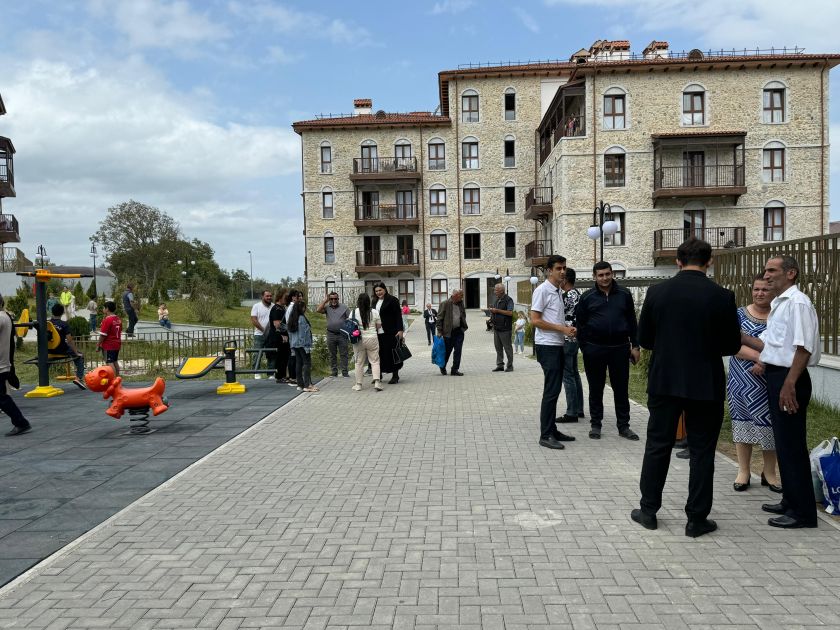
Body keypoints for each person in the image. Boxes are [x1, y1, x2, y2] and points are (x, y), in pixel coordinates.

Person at [632, 237, 740, 538]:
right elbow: (731, 344)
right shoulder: (722, 296)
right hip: (706, 382)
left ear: (677, 262)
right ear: (710, 262)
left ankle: (649, 510)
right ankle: (696, 519)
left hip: (665, 380)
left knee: (657, 445)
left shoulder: (656, 293)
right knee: (703, 451)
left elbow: (647, 339)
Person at [740, 256, 820, 529]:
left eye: (773, 270)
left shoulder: (798, 303)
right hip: (777, 376)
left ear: (791, 273)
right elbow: (771, 346)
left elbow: (803, 347)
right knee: (783, 444)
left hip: (790, 379)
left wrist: (789, 384)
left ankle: (804, 513)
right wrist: (737, 334)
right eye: (765, 270)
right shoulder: (780, 303)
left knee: (793, 446)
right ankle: (790, 500)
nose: (767, 275)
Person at [575, 262, 640, 441]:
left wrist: (635, 346)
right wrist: (585, 348)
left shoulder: (624, 294)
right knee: (596, 388)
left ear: (612, 274)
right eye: (600, 275)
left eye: (607, 274)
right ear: (594, 277)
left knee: (621, 389)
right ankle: (596, 424)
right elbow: (579, 324)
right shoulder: (587, 297)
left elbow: (632, 321)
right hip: (594, 350)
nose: (604, 278)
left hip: (620, 349)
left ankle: (624, 426)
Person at [727, 274, 781, 493]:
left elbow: (784, 345)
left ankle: (770, 473)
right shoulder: (738, 314)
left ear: (773, 292)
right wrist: (759, 358)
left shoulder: (779, 316)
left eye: (765, 290)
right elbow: (732, 344)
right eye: (756, 289)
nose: (760, 293)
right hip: (741, 381)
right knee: (742, 423)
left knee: (770, 427)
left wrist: (766, 362)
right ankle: (743, 471)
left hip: (771, 381)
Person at [530, 255, 577, 450]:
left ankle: (552, 429)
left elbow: (552, 317)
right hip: (547, 345)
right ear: (549, 270)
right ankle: (545, 434)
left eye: (564, 268)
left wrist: (567, 327)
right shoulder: (542, 290)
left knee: (555, 389)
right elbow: (535, 320)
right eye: (558, 268)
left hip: (556, 344)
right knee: (551, 390)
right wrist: (562, 329)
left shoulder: (557, 290)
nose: (562, 271)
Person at [1, 294, 31, 437]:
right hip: (3, 364)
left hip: (0, 366)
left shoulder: (1, 318)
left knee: (2, 398)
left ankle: (21, 422)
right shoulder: (5, 316)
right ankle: (20, 422)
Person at [558, 268, 584, 424]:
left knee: (567, 375)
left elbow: (560, 315)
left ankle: (571, 412)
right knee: (574, 373)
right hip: (576, 338)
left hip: (567, 338)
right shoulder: (578, 294)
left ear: (565, 280)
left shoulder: (566, 296)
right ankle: (579, 409)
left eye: (562, 277)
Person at [49, 304, 87, 390]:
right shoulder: (64, 324)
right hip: (61, 349)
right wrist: (76, 352)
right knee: (80, 356)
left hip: (49, 350)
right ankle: (79, 378)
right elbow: (69, 341)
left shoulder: (47, 323)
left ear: (52, 312)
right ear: (62, 313)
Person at [373, 283, 404, 384]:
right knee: (379, 353)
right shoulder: (374, 301)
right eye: (376, 291)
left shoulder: (392, 300)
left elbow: (398, 316)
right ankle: (379, 375)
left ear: (385, 290)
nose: (378, 293)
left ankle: (395, 375)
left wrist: (400, 330)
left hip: (391, 331)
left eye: (380, 290)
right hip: (377, 332)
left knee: (392, 353)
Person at [351, 293, 383, 391]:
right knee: (375, 361)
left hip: (359, 339)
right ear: (368, 301)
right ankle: (377, 382)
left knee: (359, 362)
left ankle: (359, 384)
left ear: (358, 301)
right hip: (372, 338)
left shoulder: (353, 312)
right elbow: (379, 325)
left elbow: (350, 324)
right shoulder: (374, 311)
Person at [316, 291, 350, 378]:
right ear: (329, 299)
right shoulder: (327, 307)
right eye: (331, 299)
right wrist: (325, 301)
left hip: (342, 334)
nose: (334, 300)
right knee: (332, 354)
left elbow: (350, 319)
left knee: (344, 354)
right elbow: (318, 310)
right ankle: (334, 372)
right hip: (331, 334)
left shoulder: (344, 307)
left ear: (338, 299)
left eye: (335, 298)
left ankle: (345, 372)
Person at [436, 289, 467, 376]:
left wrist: (463, 325)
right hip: (448, 332)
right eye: (461, 296)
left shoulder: (461, 303)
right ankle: (442, 366)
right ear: (455, 296)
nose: (462, 298)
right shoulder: (445, 303)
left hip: (459, 331)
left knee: (458, 351)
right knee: (447, 351)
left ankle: (455, 369)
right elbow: (439, 318)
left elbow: (463, 314)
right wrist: (439, 330)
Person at [288, 300, 318, 393]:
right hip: (303, 344)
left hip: (295, 344)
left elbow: (290, 333)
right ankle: (307, 385)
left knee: (299, 363)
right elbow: (303, 334)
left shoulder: (292, 318)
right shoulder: (301, 318)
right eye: (304, 307)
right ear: (302, 308)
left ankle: (300, 384)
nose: (305, 309)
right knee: (306, 363)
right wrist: (306, 347)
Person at [488, 283, 514, 372]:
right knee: (498, 348)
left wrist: (497, 310)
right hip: (497, 328)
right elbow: (495, 312)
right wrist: (492, 313)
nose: (495, 292)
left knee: (507, 348)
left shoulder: (508, 300)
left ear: (502, 291)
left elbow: (510, 313)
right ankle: (500, 365)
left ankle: (510, 366)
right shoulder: (497, 300)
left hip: (505, 328)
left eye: (496, 290)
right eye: (495, 290)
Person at [250, 289, 275, 379]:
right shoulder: (256, 306)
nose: (269, 297)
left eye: (270, 296)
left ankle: (271, 373)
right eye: (267, 296)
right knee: (257, 353)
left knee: (271, 354)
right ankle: (256, 372)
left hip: (271, 335)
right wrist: (264, 330)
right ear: (262, 297)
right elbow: (254, 320)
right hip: (259, 335)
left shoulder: (274, 306)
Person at [269, 290, 291, 384]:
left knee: (285, 357)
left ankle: (283, 375)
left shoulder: (282, 308)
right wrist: (283, 334)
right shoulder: (277, 309)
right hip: (279, 336)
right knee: (281, 357)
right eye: (285, 298)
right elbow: (277, 324)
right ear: (280, 297)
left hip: (284, 336)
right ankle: (279, 376)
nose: (286, 300)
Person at [98, 300, 122, 376]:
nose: (103, 309)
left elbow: (103, 335)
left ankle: (113, 380)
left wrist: (98, 344)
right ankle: (118, 378)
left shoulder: (108, 320)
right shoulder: (118, 319)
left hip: (109, 345)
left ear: (107, 309)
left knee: (109, 362)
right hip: (117, 343)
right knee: (115, 361)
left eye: (103, 308)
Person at [284, 290, 301, 386]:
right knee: (293, 355)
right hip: (293, 333)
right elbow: (291, 322)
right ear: (293, 297)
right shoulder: (292, 308)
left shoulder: (293, 307)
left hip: (293, 332)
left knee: (294, 354)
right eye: (298, 296)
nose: (300, 298)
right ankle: (292, 377)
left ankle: (294, 376)